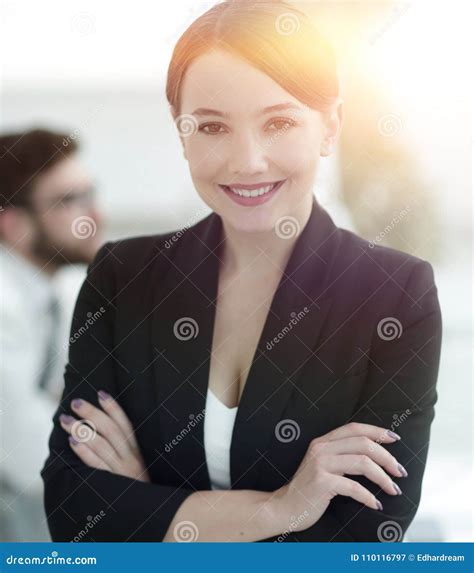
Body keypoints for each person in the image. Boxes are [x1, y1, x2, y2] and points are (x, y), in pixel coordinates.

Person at [41, 0, 442, 542]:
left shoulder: (396, 295)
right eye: (212, 127)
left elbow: (365, 536)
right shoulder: (123, 277)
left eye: (278, 122)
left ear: (330, 127)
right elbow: (73, 511)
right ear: (182, 134)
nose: (247, 161)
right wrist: (281, 508)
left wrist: (150, 503)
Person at [0, 128, 102, 540]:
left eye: (90, 194)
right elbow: (31, 456)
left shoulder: (59, 289)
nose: (95, 215)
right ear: (14, 225)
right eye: (69, 202)